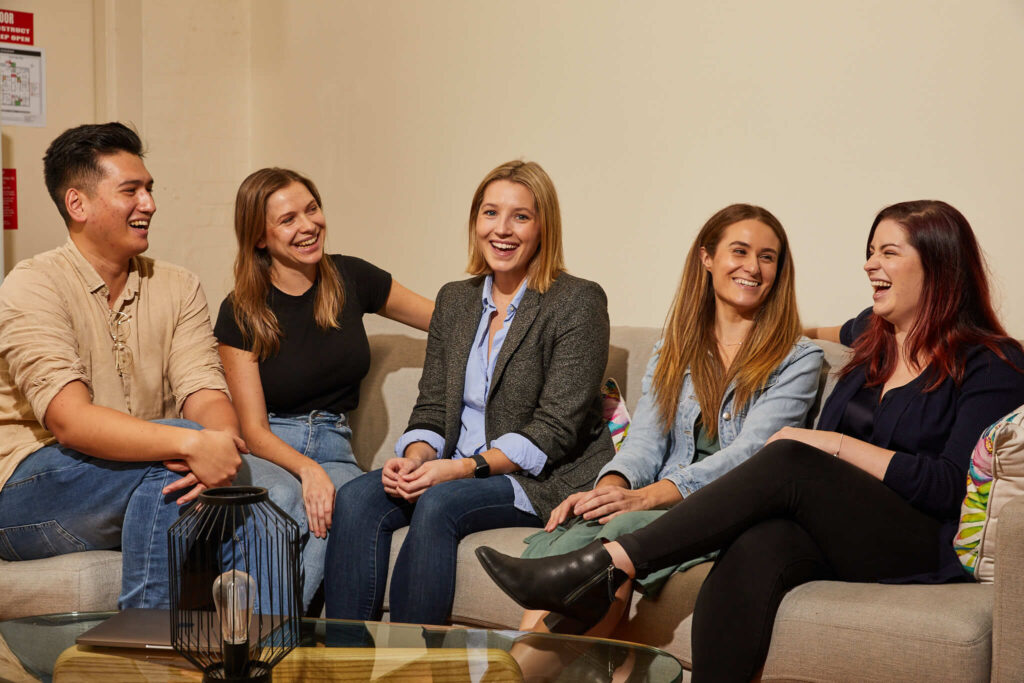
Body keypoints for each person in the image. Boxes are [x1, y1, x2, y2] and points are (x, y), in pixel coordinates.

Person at [477, 199, 1024, 681]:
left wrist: (830, 445)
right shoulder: (873, 344)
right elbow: (831, 329)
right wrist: (796, 332)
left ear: (940, 267)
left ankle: (608, 563)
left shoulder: (991, 363)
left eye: (887, 253)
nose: (868, 264)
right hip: (841, 526)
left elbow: (952, 486)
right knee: (756, 546)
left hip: (919, 537)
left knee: (791, 452)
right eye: (869, 250)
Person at [324, 159, 615, 625]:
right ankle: (339, 668)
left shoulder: (578, 301)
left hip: (538, 477)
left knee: (440, 502)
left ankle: (416, 674)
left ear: (544, 227)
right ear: (475, 221)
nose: (502, 230)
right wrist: (417, 458)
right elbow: (434, 405)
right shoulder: (455, 300)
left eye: (521, 216)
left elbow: (555, 429)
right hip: (457, 466)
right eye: (490, 213)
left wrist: (460, 469)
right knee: (358, 498)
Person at [516, 204, 823, 637]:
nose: (753, 267)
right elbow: (645, 441)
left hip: (724, 512)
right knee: (594, 527)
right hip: (656, 502)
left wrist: (647, 498)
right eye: (740, 251)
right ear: (707, 258)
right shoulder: (673, 350)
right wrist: (608, 491)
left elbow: (753, 455)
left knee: (612, 542)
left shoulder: (798, 360)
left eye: (768, 257)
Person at [0, 122, 247, 609]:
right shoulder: (32, 284)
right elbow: (70, 421)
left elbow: (205, 390)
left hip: (132, 472)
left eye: (149, 189)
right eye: (131, 191)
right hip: (24, 491)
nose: (149, 204)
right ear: (78, 204)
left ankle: (256, 654)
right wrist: (191, 442)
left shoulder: (179, 286)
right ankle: (146, 650)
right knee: (173, 459)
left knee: (238, 484)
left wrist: (216, 444)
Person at [215, 167, 433, 612]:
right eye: (288, 219)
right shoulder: (241, 311)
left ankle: (262, 641)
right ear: (260, 237)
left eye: (311, 209)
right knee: (292, 501)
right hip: (272, 448)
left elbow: (448, 319)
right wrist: (307, 471)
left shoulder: (351, 278)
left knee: (347, 509)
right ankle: (271, 646)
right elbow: (253, 430)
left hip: (336, 447)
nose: (308, 225)